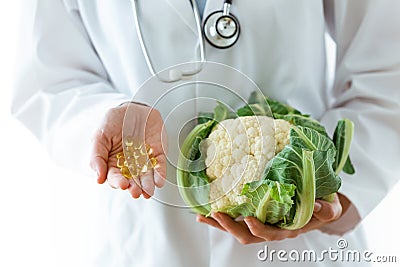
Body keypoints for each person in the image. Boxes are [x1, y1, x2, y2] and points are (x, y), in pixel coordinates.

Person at [12, 0, 400, 266]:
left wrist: (320, 188)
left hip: (304, 250)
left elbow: (386, 71)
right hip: (147, 239)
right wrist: (106, 118)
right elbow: (50, 78)